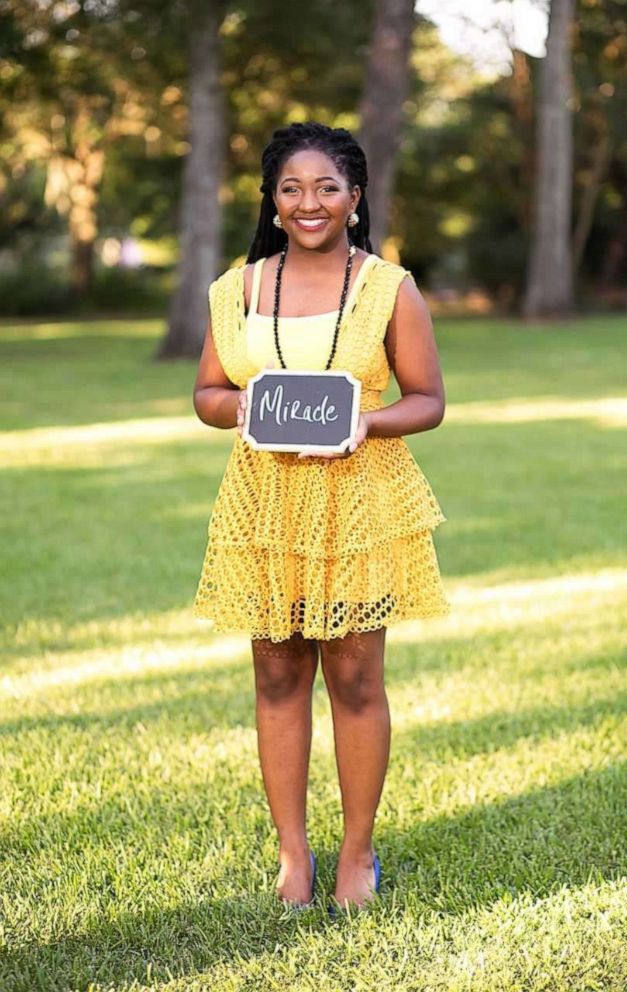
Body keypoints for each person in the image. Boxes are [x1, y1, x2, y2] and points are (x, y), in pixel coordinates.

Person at [192, 122, 451, 915]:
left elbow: (429, 401)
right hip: (264, 507)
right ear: (271, 203)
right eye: (292, 189)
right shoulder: (235, 289)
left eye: (327, 188)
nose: (309, 203)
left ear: (354, 199)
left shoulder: (387, 287)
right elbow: (206, 395)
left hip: (358, 506)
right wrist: (243, 404)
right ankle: (292, 855)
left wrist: (363, 422)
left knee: (354, 675)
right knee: (275, 674)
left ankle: (357, 854)